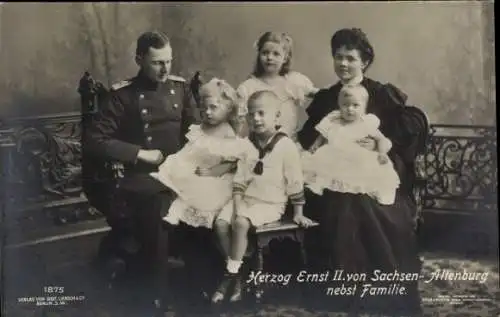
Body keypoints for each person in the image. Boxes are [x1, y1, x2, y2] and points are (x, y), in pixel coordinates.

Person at [298, 28, 427, 315]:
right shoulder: (328, 98)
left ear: (364, 62)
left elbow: (409, 129)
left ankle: (379, 287)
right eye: (338, 57)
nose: (343, 64)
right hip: (333, 173)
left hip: (375, 167)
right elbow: (310, 138)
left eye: (350, 58)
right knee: (340, 200)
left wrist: (383, 145)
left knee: (366, 202)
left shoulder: (381, 94)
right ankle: (342, 286)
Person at [84, 30, 200, 313]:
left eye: (169, 61)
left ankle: (202, 286)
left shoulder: (181, 89)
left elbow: (195, 131)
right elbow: (94, 140)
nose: (165, 69)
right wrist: (139, 153)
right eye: (157, 62)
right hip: (138, 178)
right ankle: (155, 295)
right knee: (160, 204)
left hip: (178, 171)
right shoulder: (123, 95)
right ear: (139, 59)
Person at [211, 90, 315, 304]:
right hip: (245, 199)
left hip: (270, 203)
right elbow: (240, 179)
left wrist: (298, 212)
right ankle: (237, 274)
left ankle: (228, 277)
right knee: (221, 224)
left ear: (276, 116)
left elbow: (294, 180)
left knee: (240, 223)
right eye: (251, 114)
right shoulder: (248, 144)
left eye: (261, 113)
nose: (255, 119)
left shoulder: (285, 146)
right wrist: (238, 204)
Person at [150, 78, 247, 229]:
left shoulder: (227, 132)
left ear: (228, 109)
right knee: (181, 180)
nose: (208, 112)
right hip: (200, 168)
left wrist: (211, 172)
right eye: (205, 108)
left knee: (196, 191)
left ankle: (180, 215)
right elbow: (191, 150)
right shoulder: (202, 127)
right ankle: (173, 215)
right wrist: (179, 162)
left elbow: (230, 163)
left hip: (216, 176)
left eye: (213, 108)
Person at [302, 84, 400, 205]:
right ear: (339, 105)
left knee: (367, 175)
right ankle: (323, 191)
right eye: (345, 105)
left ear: (364, 107)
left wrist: (382, 152)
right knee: (322, 171)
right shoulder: (333, 120)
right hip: (334, 158)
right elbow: (322, 136)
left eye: (355, 105)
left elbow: (382, 139)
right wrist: (315, 147)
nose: (350, 109)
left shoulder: (366, 123)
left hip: (358, 159)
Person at [235, 31, 318, 141]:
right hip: (258, 146)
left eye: (276, 54)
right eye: (265, 53)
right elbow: (238, 122)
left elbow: (323, 95)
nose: (269, 57)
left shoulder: (293, 81)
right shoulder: (248, 87)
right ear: (259, 55)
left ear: (285, 58)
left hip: (289, 143)